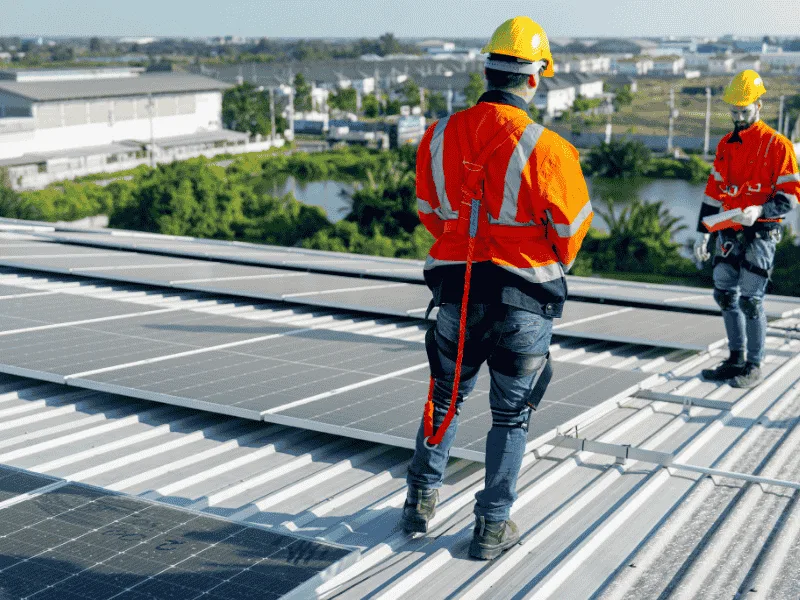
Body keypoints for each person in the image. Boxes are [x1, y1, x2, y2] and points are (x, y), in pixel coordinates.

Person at [402, 16, 593, 560]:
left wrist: (467, 244)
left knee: (444, 396)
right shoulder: (550, 150)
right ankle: (490, 528)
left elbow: (431, 213)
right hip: (523, 299)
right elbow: (570, 232)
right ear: (535, 79)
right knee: (510, 415)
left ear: (486, 68)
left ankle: (419, 500)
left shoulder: (438, 136)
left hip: (457, 293)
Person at [694, 70, 800, 388]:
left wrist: (761, 210)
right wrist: (703, 231)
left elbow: (791, 197)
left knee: (751, 300)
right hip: (728, 228)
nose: (738, 117)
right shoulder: (726, 144)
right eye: (734, 112)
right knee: (725, 294)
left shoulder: (778, 146)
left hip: (761, 232)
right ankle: (735, 358)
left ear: (759, 106)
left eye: (744, 111)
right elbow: (714, 191)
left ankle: (754, 365)